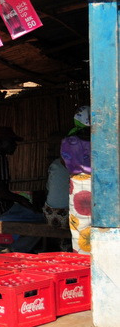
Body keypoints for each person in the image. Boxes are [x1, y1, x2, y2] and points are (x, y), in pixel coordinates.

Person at [0, 126, 44, 253]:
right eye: (11, 142)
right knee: (42, 219)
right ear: (0, 142)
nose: (15, 145)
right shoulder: (0, 159)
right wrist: (23, 200)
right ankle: (16, 250)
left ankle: (18, 247)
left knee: (23, 219)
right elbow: (1, 192)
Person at [61, 106, 92, 254]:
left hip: (77, 187)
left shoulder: (68, 141)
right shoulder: (103, 139)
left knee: (80, 229)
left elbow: (63, 163)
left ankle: (83, 262)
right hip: (100, 184)